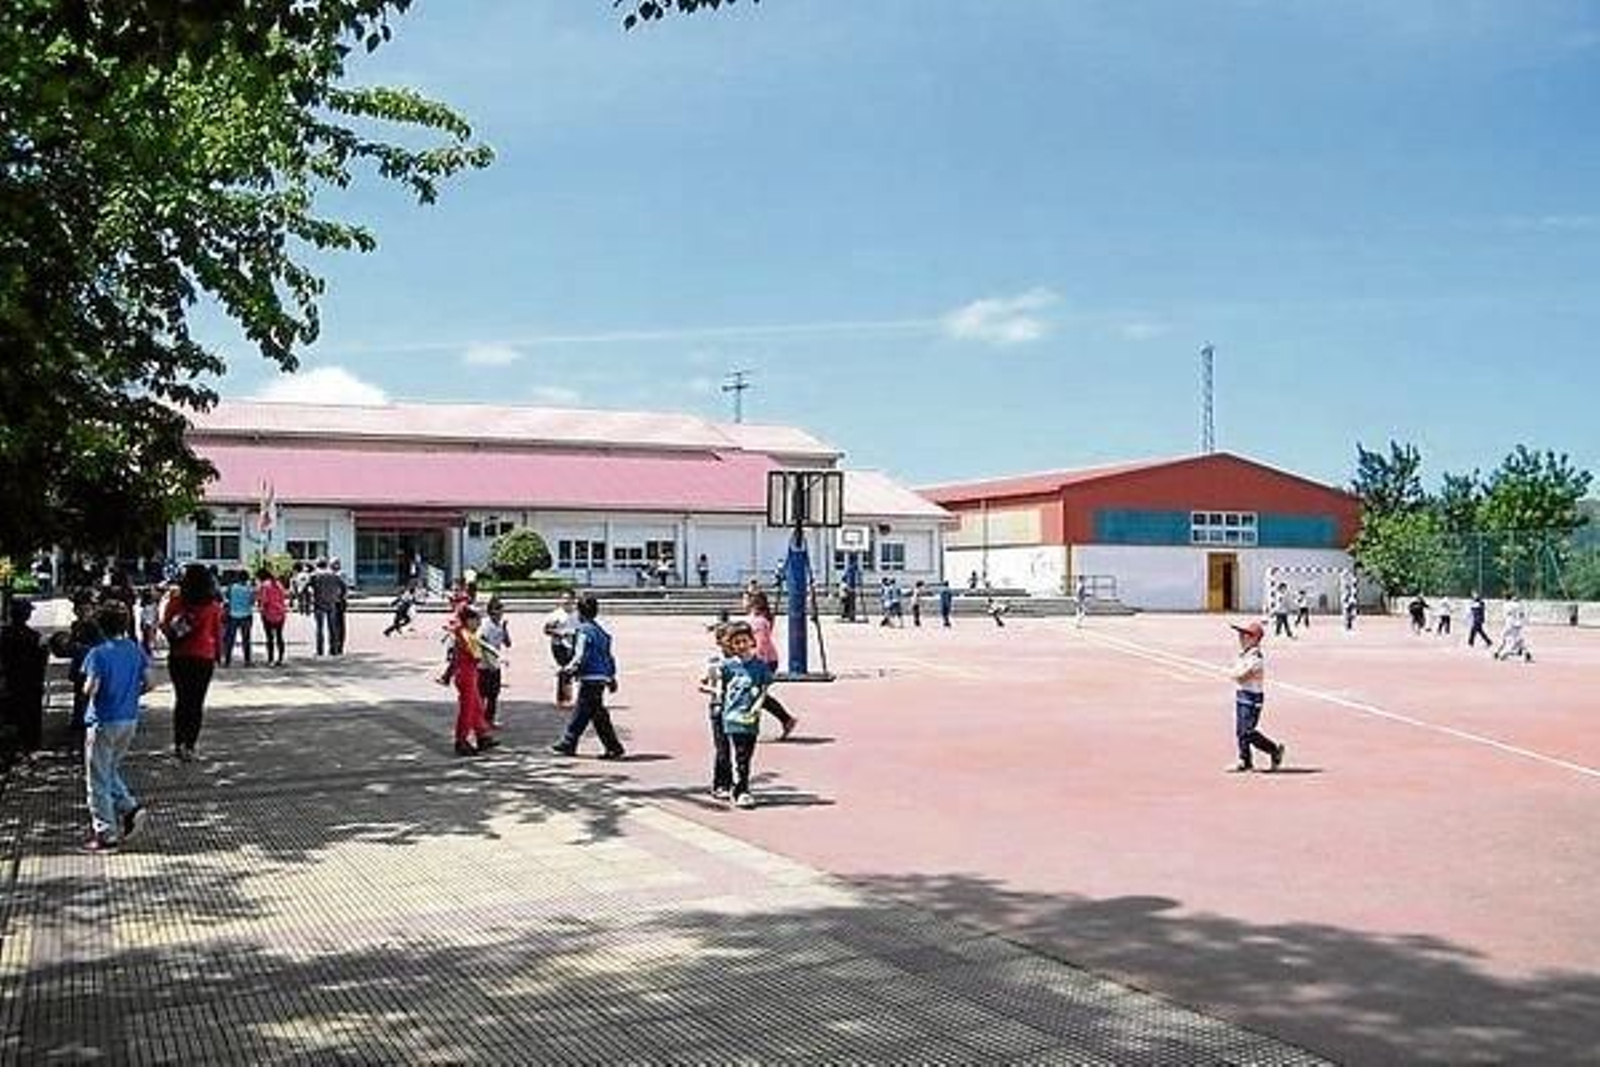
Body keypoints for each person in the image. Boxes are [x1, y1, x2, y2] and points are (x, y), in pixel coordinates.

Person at [79, 603, 154, 852]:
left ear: (100, 627)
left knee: (97, 779)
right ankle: (131, 809)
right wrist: (131, 693)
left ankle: (106, 833)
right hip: (129, 719)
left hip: (102, 719)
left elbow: (91, 688)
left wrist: (87, 690)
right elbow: (151, 683)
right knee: (109, 770)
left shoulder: (98, 654)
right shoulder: (135, 650)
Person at [548, 594, 624, 759]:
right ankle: (613, 746)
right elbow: (609, 657)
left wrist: (569, 669)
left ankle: (568, 742)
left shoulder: (583, 631)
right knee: (598, 714)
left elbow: (580, 655)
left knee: (582, 712)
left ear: (579, 612)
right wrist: (611, 676)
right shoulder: (602, 632)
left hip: (590, 675)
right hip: (601, 676)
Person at [162, 563, 223, 761]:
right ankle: (190, 746)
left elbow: (165, 625)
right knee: (196, 703)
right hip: (203, 658)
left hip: (179, 656)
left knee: (181, 700)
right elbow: (217, 633)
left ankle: (178, 743)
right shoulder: (213, 606)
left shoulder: (176, 601)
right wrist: (219, 655)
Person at [715, 620, 773, 809]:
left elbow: (764, 689)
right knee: (735, 754)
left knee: (745, 755)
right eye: (736, 642)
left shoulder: (760, 666)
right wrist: (716, 699)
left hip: (750, 718)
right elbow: (719, 687)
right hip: (731, 716)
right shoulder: (727, 666)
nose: (741, 645)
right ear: (731, 645)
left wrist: (757, 706)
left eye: (744, 641)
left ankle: (740, 786)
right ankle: (740, 789)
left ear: (751, 641)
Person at [1226, 621, 1285, 773]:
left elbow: (1240, 676)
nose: (1240, 637)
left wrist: (1234, 673)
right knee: (1240, 731)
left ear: (1254, 638)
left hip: (1252, 698)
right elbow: (1237, 674)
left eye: (1244, 634)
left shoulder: (1256, 658)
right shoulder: (1244, 654)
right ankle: (1245, 760)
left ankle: (1273, 749)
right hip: (1242, 695)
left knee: (1247, 731)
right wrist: (1235, 673)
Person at [744, 590, 798, 739]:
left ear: (752, 603)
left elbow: (761, 644)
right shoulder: (755, 619)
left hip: (764, 661)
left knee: (755, 695)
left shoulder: (759, 621)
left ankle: (750, 729)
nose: (742, 602)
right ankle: (786, 720)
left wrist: (754, 663)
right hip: (766, 660)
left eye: (745, 599)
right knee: (756, 695)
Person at [0, 599, 48, 757]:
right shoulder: (34, 637)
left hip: (9, 680)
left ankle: (11, 745)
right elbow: (42, 661)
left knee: (9, 714)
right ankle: (29, 744)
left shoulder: (3, 635)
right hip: (30, 683)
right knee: (30, 714)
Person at [450, 606, 497, 756]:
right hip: (466, 675)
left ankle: (482, 736)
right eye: (476, 620)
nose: (478, 623)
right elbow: (476, 655)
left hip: (468, 674)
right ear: (469, 621)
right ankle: (461, 740)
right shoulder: (466, 634)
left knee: (476, 707)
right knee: (467, 709)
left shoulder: (465, 633)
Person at [63, 590, 104, 733]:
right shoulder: (76, 625)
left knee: (90, 692)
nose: (81, 612)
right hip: (80, 664)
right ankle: (78, 719)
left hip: (91, 665)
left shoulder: (95, 626)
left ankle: (89, 719)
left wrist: (81, 648)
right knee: (79, 693)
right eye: (79, 609)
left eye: (85, 609)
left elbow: (101, 645)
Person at [478, 596, 511, 728]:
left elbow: (508, 643)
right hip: (483, 665)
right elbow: (482, 644)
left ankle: (489, 720)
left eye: (501, 611)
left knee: (494, 694)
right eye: (498, 611)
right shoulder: (485, 625)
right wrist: (489, 662)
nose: (500, 614)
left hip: (495, 664)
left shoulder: (500, 625)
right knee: (482, 694)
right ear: (491, 611)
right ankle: (478, 720)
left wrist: (505, 629)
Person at [542, 590, 579, 707]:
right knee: (564, 670)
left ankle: (567, 696)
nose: (566, 601)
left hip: (573, 644)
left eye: (568, 599)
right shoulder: (555, 615)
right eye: (564, 599)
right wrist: (559, 633)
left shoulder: (577, 615)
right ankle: (562, 698)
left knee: (570, 671)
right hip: (559, 645)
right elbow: (546, 630)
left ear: (573, 600)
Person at [221, 569, 256, 667]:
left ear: (237, 578)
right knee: (246, 640)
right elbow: (252, 602)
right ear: (247, 578)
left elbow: (227, 599)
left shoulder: (231, 587)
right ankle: (247, 661)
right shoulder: (250, 589)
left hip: (233, 616)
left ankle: (227, 661)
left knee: (230, 639)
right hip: (246, 616)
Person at [257, 567, 288, 666]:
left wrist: (261, 609)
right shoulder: (279, 584)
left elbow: (264, 601)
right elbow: (284, 597)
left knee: (270, 638)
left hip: (268, 614)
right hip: (280, 613)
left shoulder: (264, 585)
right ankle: (280, 659)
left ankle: (271, 659)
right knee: (279, 636)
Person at [1494, 594, 1533, 663]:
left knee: (1507, 640)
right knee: (1519, 640)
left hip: (1510, 624)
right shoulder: (1519, 605)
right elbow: (1522, 614)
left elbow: (1507, 613)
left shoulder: (1507, 604)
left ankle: (1502, 654)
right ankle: (1527, 653)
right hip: (1518, 624)